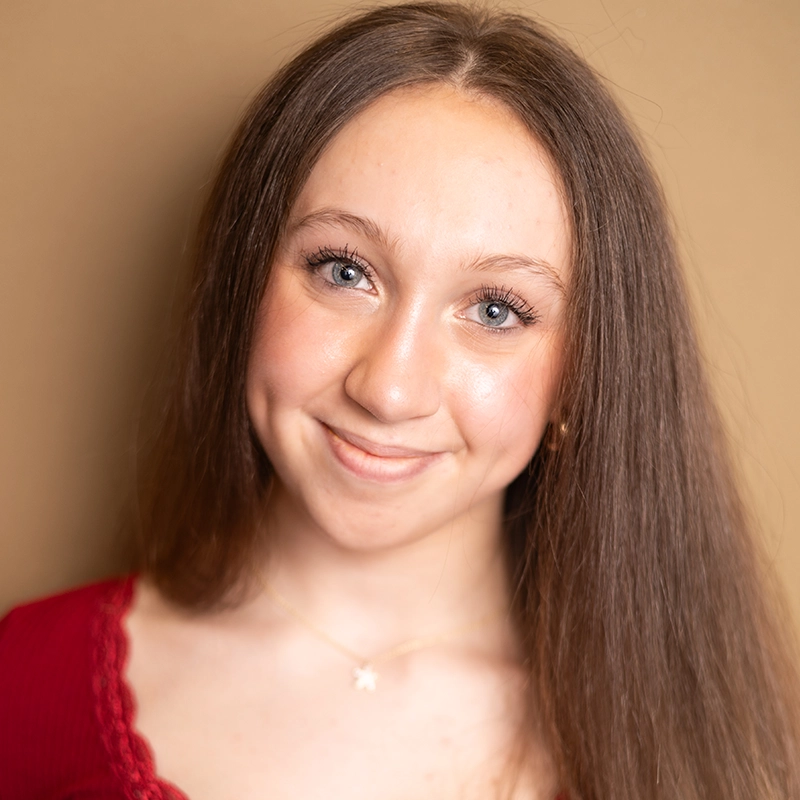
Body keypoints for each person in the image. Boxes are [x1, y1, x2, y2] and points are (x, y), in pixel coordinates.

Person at [1, 3, 798, 798]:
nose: (388, 388)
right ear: (246, 279)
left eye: (495, 309)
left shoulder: (740, 747)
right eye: (344, 271)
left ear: (583, 374)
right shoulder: (27, 681)